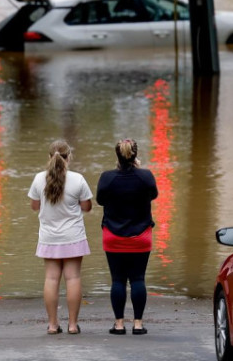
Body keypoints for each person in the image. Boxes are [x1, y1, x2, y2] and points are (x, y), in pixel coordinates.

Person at [28, 140, 93, 335]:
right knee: (73, 278)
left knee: (51, 279)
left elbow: (34, 206)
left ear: (49, 157)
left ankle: (52, 325)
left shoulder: (39, 179)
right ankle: (73, 325)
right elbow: (87, 207)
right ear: (69, 157)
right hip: (73, 236)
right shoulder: (78, 179)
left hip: (49, 237)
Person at [96, 139, 157, 335]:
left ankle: (119, 324)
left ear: (117, 155)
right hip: (141, 236)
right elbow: (153, 195)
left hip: (113, 236)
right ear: (135, 155)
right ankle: (138, 324)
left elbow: (100, 200)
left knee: (118, 280)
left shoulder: (107, 178)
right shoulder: (145, 177)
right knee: (138, 279)